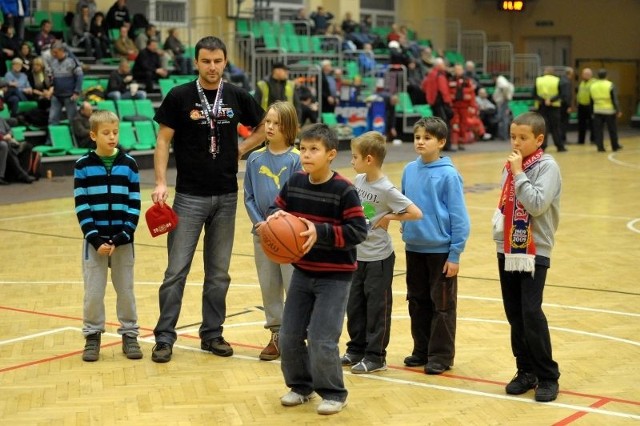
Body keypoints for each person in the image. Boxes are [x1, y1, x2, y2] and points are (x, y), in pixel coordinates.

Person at [149, 36, 267, 363]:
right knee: (176, 271)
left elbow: (265, 124)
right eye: (206, 61)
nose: (212, 67)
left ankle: (212, 334)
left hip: (227, 196)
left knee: (218, 274)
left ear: (225, 62)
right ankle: (164, 338)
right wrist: (161, 182)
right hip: (188, 197)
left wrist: (242, 149)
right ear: (197, 63)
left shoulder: (236, 95)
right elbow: (162, 141)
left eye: (217, 61)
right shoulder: (180, 96)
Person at [263, 123, 367, 415]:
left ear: (331, 154)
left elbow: (358, 231)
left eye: (314, 149)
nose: (306, 155)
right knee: (289, 335)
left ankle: (334, 392)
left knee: (322, 338)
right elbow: (276, 210)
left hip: (335, 276)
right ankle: (300, 386)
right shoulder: (295, 182)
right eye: (303, 148)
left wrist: (319, 232)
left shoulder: (344, 190)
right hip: (303, 272)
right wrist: (271, 223)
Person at [492, 111, 561, 403]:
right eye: (513, 137)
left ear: (539, 139)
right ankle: (525, 370)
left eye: (523, 138)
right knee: (515, 314)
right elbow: (507, 202)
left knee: (531, 312)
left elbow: (534, 204)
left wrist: (519, 172)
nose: (516, 143)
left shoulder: (547, 167)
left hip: (535, 250)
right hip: (507, 247)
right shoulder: (511, 166)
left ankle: (547, 376)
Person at [341, 131, 422, 374]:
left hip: (379, 259)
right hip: (358, 255)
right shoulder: (359, 181)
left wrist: (389, 216)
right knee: (355, 306)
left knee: (377, 308)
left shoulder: (386, 188)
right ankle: (356, 348)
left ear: (368, 159)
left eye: (354, 157)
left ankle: (376, 356)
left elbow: (415, 213)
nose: (351, 161)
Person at [401, 116, 470, 374]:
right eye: (417, 137)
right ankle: (422, 349)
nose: (420, 142)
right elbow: (404, 204)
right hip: (413, 248)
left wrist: (455, 254)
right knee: (417, 301)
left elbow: (459, 217)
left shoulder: (449, 175)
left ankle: (440, 355)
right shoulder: (409, 169)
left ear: (441, 142)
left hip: (440, 252)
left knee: (442, 306)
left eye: (427, 138)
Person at [73, 109, 142, 362]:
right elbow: (82, 205)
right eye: (106, 133)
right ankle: (92, 336)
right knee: (93, 292)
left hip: (123, 242)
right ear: (93, 135)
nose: (112, 137)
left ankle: (130, 334)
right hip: (95, 243)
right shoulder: (82, 166)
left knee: (126, 291)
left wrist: (124, 234)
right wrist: (95, 238)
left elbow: (134, 203)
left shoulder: (129, 164)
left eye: (115, 132)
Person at [243, 101, 302, 361]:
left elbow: (300, 198)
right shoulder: (254, 158)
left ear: (288, 127)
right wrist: (261, 224)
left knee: (295, 287)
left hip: (291, 234)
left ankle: (298, 336)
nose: (270, 127)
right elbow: (248, 197)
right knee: (269, 287)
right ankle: (276, 334)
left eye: (276, 123)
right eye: (267, 121)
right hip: (263, 234)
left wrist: (282, 223)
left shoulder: (297, 159)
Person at [421, 58, 454, 150]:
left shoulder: (430, 74)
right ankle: (446, 145)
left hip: (433, 103)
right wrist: (449, 103)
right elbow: (444, 91)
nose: (445, 66)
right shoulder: (440, 76)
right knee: (445, 124)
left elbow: (423, 86)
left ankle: (435, 145)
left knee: (436, 125)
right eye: (443, 65)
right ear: (439, 66)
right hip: (441, 103)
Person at [48, 41, 83, 125]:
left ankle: (74, 138)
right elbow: (52, 78)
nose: (54, 54)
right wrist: (50, 88)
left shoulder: (72, 61)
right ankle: (51, 138)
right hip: (56, 95)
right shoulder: (53, 62)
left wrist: (76, 91)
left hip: (70, 95)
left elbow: (80, 76)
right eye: (53, 52)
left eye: (56, 52)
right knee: (52, 119)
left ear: (61, 50)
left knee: (73, 120)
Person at [533, 67, 566, 152]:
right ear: (553, 72)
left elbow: (533, 94)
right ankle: (559, 146)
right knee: (556, 127)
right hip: (554, 106)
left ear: (545, 72)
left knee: (543, 127)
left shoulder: (538, 80)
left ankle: (542, 146)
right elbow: (561, 94)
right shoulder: (557, 80)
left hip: (541, 106)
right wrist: (551, 100)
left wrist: (543, 100)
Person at [589, 68, 622, 152]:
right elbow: (614, 99)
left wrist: (591, 111)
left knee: (598, 130)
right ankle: (615, 146)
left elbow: (591, 100)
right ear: (606, 76)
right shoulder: (610, 85)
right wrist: (618, 110)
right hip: (609, 111)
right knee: (612, 129)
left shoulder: (593, 85)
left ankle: (600, 147)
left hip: (597, 110)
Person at [0, 116, 35, 184]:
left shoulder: (1, 119)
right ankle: (22, 175)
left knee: (27, 146)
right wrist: (3, 138)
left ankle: (24, 173)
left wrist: (9, 134)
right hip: (2, 141)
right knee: (6, 146)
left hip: (8, 141)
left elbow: (9, 129)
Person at [576, 67, 594, 145]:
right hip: (581, 106)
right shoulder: (582, 83)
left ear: (590, 75)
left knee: (592, 124)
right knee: (581, 124)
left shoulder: (593, 83)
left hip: (590, 106)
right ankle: (581, 140)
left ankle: (593, 140)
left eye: (587, 74)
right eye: (584, 74)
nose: (585, 75)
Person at [492, 74, 514, 141]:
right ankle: (502, 135)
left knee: (503, 119)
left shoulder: (500, 79)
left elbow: (505, 87)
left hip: (503, 102)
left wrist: (505, 97)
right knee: (502, 119)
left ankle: (503, 136)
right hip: (502, 101)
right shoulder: (501, 80)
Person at [558, 67, 574, 143]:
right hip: (564, 105)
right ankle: (562, 139)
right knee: (564, 123)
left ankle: (561, 138)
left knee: (561, 122)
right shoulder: (567, 82)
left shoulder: (560, 80)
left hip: (560, 104)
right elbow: (566, 95)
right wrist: (569, 106)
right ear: (569, 73)